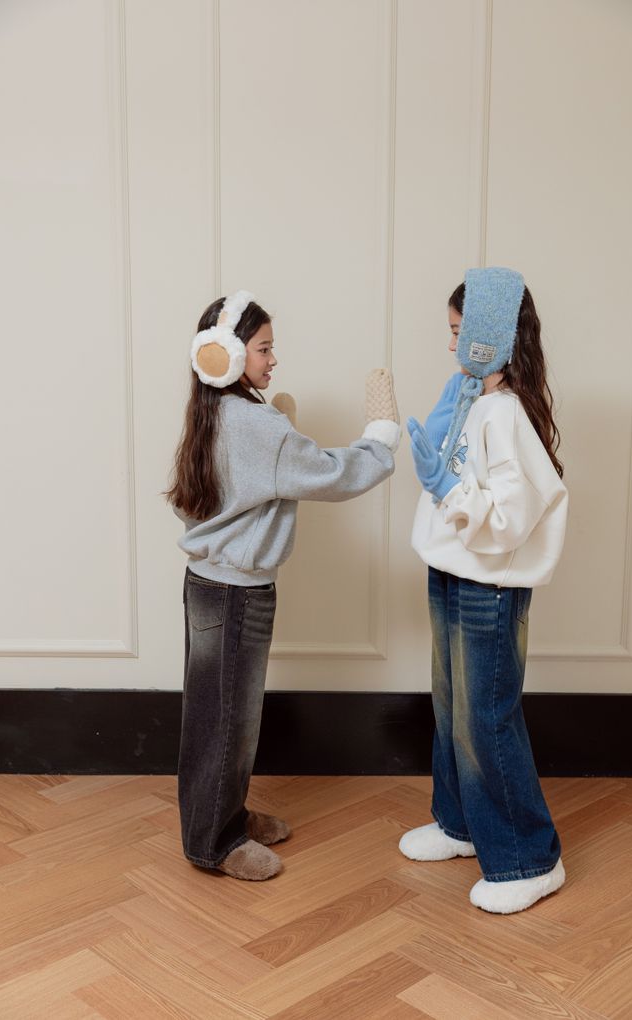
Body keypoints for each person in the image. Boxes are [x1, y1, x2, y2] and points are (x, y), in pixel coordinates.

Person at [167, 290, 400, 881]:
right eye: (264, 349)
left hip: (207, 583)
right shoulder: (255, 423)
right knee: (230, 719)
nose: (274, 360)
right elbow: (331, 474)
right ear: (223, 355)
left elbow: (225, 491)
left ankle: (224, 816)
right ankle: (213, 844)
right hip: (237, 594)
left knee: (215, 715)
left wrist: (278, 437)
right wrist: (381, 438)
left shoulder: (213, 412)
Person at [401, 267, 568, 914]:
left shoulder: (505, 413)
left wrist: (448, 487)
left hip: (488, 584)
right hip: (452, 570)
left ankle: (529, 857)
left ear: (488, 335)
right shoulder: (473, 402)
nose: (450, 345)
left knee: (486, 716)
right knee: (451, 706)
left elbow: (510, 517)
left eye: (457, 331)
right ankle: (461, 823)